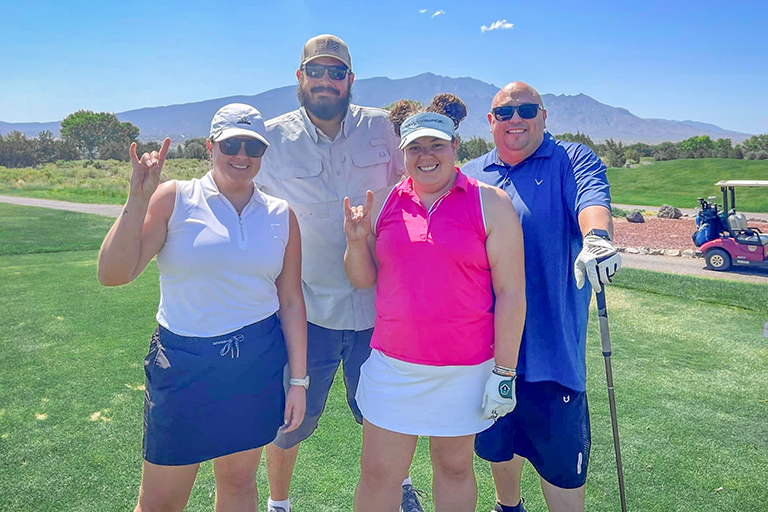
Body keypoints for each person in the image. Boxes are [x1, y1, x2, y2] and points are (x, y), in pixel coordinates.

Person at [97, 103, 308, 512]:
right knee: (159, 501)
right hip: (183, 364)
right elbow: (113, 273)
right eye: (231, 143)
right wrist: (137, 198)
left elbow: (291, 301)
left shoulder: (282, 214)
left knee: (238, 483)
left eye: (253, 146)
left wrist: (298, 381)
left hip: (254, 363)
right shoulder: (175, 197)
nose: (242, 155)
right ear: (210, 146)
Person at [252, 34, 422, 512]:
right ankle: (279, 504)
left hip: (381, 307)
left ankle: (401, 487)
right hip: (307, 310)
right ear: (300, 76)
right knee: (290, 420)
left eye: (336, 72)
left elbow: (421, 179)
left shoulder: (386, 129)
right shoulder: (272, 138)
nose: (326, 80)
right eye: (316, 70)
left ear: (351, 79)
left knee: (386, 413)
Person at [343, 94, 527, 512]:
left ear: (455, 148)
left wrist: (505, 372)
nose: (426, 156)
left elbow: (512, 293)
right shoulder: (385, 202)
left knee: (455, 469)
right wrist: (356, 243)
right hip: (394, 367)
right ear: (403, 153)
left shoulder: (490, 203)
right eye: (415, 148)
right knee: (377, 475)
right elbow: (363, 279)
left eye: (436, 145)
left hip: (465, 369)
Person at [462, 82, 622, 512]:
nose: (516, 119)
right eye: (504, 113)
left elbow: (592, 198)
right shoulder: (472, 173)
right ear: (490, 122)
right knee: (500, 448)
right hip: (489, 354)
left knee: (561, 471)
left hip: (555, 355)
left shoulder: (571, 159)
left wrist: (597, 237)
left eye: (527, 110)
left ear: (544, 116)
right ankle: (508, 508)